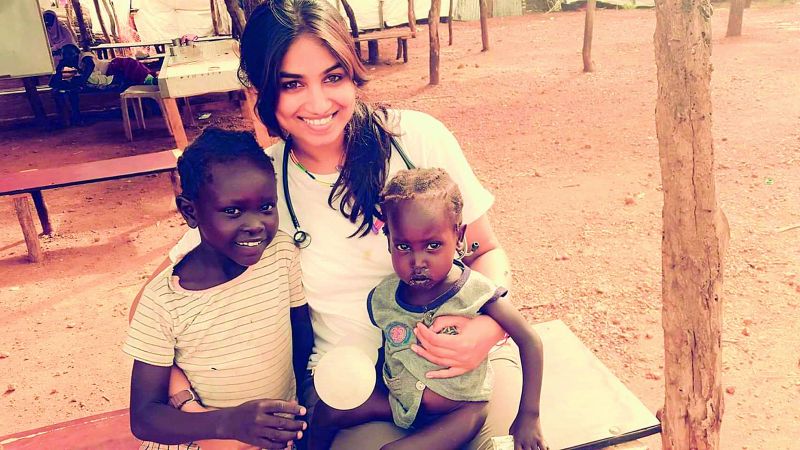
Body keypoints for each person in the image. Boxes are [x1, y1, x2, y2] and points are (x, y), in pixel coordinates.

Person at [135, 0, 525, 448]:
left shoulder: (415, 140)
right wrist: (190, 405)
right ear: (262, 90)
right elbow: (156, 300)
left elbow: (486, 252)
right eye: (292, 84)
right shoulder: (259, 187)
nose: (318, 103)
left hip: (461, 369)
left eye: (333, 77)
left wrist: (488, 330)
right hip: (356, 391)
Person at [308, 168, 547, 450]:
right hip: (402, 404)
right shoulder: (383, 297)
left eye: (433, 245)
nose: (417, 260)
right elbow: (391, 348)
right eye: (404, 246)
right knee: (326, 412)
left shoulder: (475, 291)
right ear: (388, 240)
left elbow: (530, 341)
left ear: (459, 237)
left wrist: (529, 417)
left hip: (460, 411)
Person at [123, 128, 313, 449]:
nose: (255, 224)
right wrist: (225, 425)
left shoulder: (280, 253)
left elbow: (301, 338)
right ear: (190, 211)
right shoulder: (165, 301)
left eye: (266, 207)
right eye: (232, 211)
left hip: (272, 438)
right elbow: (144, 417)